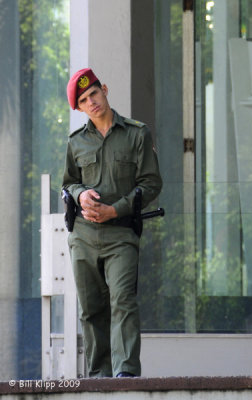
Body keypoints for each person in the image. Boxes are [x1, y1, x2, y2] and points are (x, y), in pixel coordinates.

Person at [62, 68, 162, 378]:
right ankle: (98, 377)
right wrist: (80, 196)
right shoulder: (76, 142)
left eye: (93, 93)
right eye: (84, 100)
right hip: (83, 237)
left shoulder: (137, 134)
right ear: (79, 108)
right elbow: (67, 184)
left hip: (120, 236)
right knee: (91, 310)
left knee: (123, 301)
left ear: (104, 90)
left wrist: (114, 211)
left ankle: (126, 374)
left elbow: (151, 184)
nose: (91, 101)